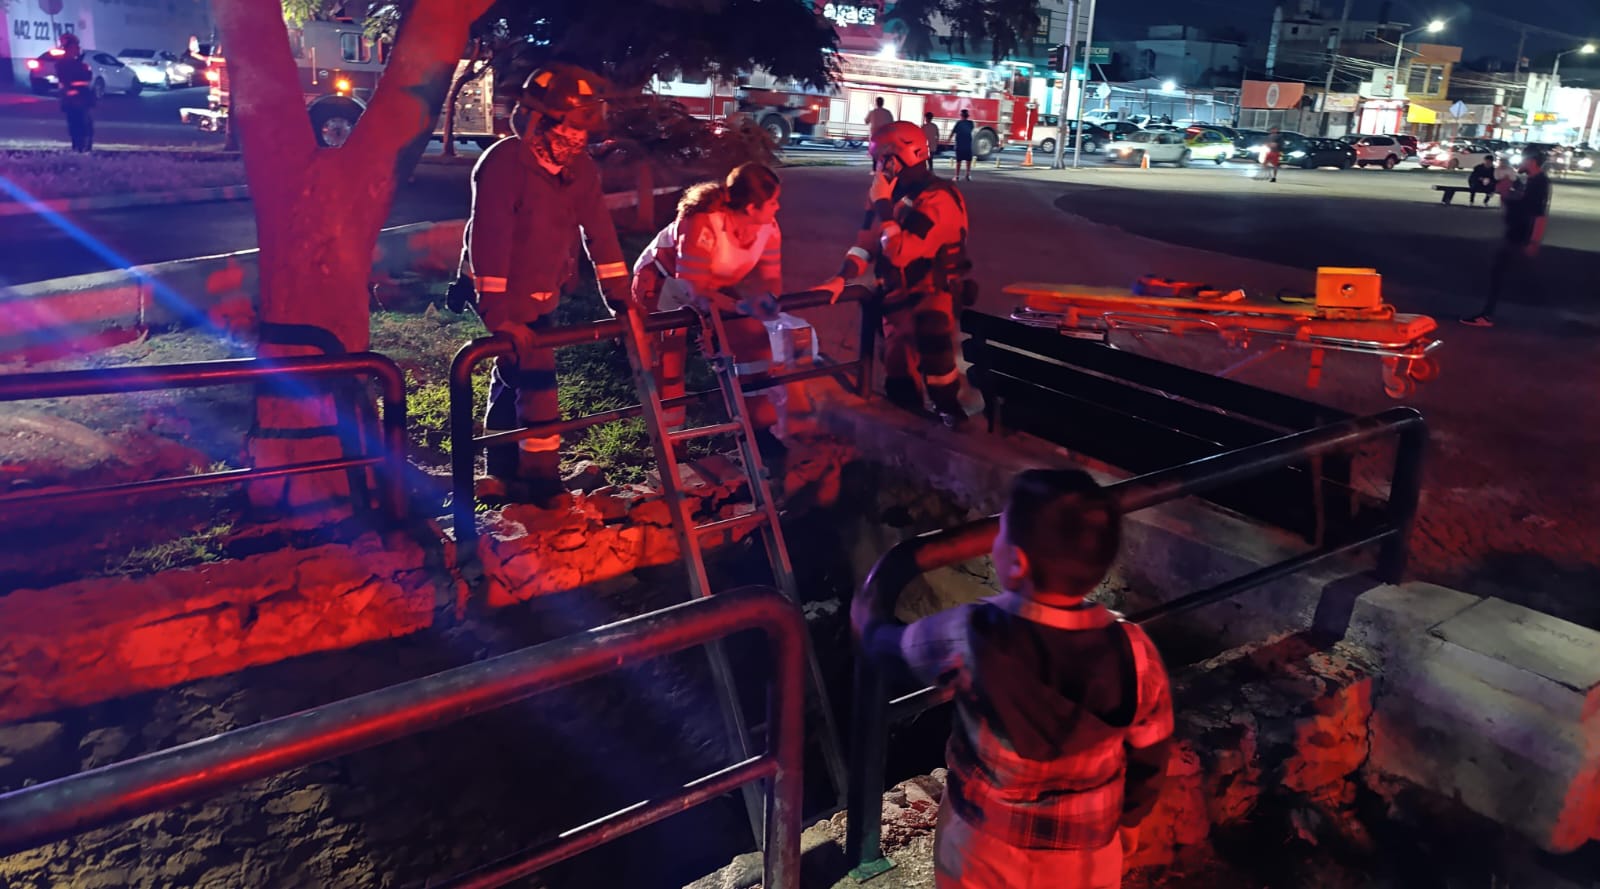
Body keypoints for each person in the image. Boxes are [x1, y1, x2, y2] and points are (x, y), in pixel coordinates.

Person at [852, 469, 1174, 889]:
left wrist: (867, 619)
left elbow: (896, 651)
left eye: (1000, 530)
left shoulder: (973, 633)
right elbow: (1151, 748)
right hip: (1086, 852)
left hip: (986, 844)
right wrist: (1129, 817)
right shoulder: (1134, 648)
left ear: (1017, 562)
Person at [464, 63, 632, 506]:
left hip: (545, 292)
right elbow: (490, 241)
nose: (578, 139)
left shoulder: (580, 170)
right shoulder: (503, 165)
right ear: (538, 120)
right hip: (506, 294)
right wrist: (499, 316)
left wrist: (621, 300)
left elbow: (600, 233)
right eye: (570, 127)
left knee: (512, 374)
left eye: (584, 130)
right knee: (538, 380)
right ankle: (540, 481)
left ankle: (500, 470)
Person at [631, 163, 789, 470]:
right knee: (669, 364)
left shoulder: (768, 228)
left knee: (752, 342)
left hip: (709, 285)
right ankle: (671, 445)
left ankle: (759, 430)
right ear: (751, 207)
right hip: (663, 284)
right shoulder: (702, 221)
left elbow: (771, 280)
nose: (778, 207)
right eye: (773, 201)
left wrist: (767, 306)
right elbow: (694, 288)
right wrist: (740, 308)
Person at [817, 121, 975, 426]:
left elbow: (901, 251)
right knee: (899, 378)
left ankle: (952, 419)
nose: (877, 167)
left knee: (938, 367)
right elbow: (865, 244)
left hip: (932, 293)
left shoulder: (938, 198)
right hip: (896, 295)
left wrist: (884, 207)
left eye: (881, 160)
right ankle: (909, 434)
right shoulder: (885, 195)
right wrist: (841, 277)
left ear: (900, 156)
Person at [1462, 148, 1550, 328]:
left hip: (1520, 236)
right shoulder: (1531, 181)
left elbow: (1539, 214)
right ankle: (1491, 314)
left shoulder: (1539, 183)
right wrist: (1505, 195)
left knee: (1500, 273)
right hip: (1516, 233)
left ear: (1532, 161)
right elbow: (1518, 208)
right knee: (1505, 273)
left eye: (1523, 159)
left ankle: (1488, 315)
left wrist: (1534, 241)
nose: (1519, 163)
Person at [55, 33, 95, 153]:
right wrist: (72, 93)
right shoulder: (64, 64)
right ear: (69, 49)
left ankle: (83, 147)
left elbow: (87, 77)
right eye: (75, 47)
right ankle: (79, 148)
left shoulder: (77, 63)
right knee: (78, 125)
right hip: (74, 99)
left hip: (82, 97)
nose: (77, 49)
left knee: (85, 125)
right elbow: (66, 80)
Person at [952, 109, 976, 181]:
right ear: (967, 116)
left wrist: (948, 140)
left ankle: (957, 176)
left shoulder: (958, 123)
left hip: (959, 144)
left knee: (958, 161)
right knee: (968, 160)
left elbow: (953, 132)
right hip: (967, 144)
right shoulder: (971, 123)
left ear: (961, 115)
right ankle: (967, 175)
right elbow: (972, 130)